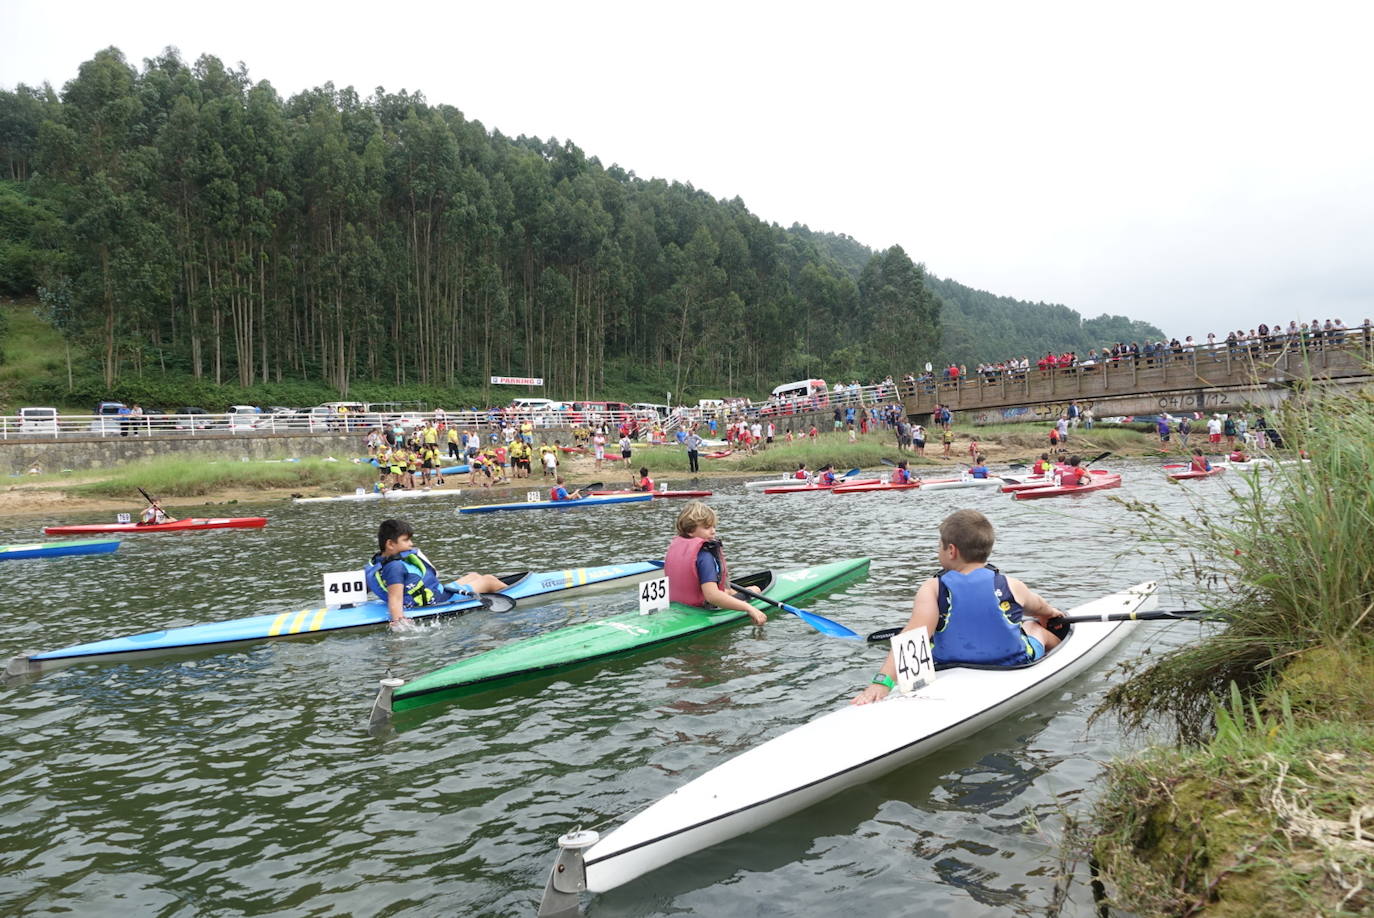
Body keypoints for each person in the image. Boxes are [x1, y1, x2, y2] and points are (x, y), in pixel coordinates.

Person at [851, 510, 1065, 704]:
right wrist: (1052, 615)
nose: (938, 550)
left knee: (931, 636)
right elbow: (1041, 607)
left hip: (948, 665)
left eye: (939, 545)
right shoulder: (1011, 585)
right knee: (1034, 627)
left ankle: (917, 692)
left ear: (951, 550)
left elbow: (914, 636)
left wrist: (881, 683)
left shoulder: (933, 588)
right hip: (1011, 663)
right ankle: (1063, 651)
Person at [365, 518, 508, 629]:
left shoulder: (383, 561)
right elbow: (395, 598)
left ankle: (500, 594)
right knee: (489, 580)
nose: (411, 544)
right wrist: (399, 622)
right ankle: (516, 597)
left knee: (474, 576)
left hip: (436, 592)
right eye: (406, 540)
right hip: (437, 600)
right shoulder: (394, 567)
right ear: (390, 544)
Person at [664, 501, 767, 626]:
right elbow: (712, 596)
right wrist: (748, 608)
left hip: (679, 606)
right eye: (707, 527)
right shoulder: (705, 555)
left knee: (728, 590)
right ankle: (748, 593)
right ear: (690, 530)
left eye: (714, 526)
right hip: (703, 609)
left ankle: (734, 592)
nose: (713, 531)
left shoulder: (676, 546)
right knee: (755, 590)